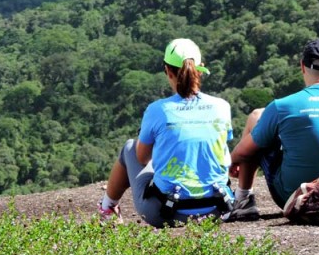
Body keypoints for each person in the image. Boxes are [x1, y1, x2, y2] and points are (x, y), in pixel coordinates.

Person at [225, 38, 319, 221]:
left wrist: (232, 162)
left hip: (294, 196)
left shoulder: (282, 106)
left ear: (302, 66)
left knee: (257, 118)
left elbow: (243, 152)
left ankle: (243, 200)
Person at [98, 38, 235, 227]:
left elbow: (142, 157)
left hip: (167, 213)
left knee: (130, 147)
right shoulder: (222, 107)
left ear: (167, 71)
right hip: (218, 210)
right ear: (201, 68)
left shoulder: (158, 110)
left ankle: (107, 209)